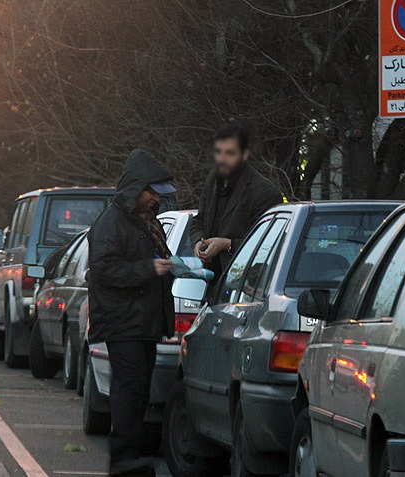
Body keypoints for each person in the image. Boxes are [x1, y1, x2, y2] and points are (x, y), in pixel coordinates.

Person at [88, 150, 176, 477]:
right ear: (136, 188)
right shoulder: (113, 221)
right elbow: (104, 270)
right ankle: (125, 464)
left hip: (140, 323)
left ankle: (130, 461)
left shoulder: (141, 220)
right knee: (129, 393)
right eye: (152, 191)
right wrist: (148, 268)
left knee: (137, 393)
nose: (156, 198)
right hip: (123, 323)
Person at [191, 122, 282, 277]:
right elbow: (198, 221)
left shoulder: (264, 193)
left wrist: (227, 245)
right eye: (218, 152)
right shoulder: (213, 182)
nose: (222, 159)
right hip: (210, 281)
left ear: (244, 155)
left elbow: (267, 244)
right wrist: (198, 242)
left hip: (244, 281)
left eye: (230, 153)